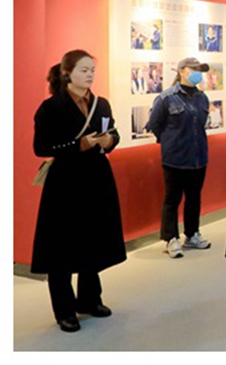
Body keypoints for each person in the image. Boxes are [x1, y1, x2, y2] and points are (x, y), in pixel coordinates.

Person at [31, 49, 126, 332]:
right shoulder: (51, 107)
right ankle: (64, 309)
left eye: (92, 70)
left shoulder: (101, 104)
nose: (89, 75)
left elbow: (114, 132)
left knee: (92, 239)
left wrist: (110, 141)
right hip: (65, 182)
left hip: (97, 179)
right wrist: (79, 145)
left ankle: (90, 299)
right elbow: (41, 147)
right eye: (83, 70)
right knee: (61, 245)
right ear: (67, 73)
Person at [145, 57, 211, 259]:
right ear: (182, 71)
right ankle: (170, 238)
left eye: (200, 70)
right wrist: (170, 142)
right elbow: (154, 124)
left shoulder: (202, 98)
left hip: (198, 157)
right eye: (194, 69)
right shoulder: (166, 98)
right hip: (175, 158)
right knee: (172, 199)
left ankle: (192, 234)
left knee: (194, 197)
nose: (198, 73)